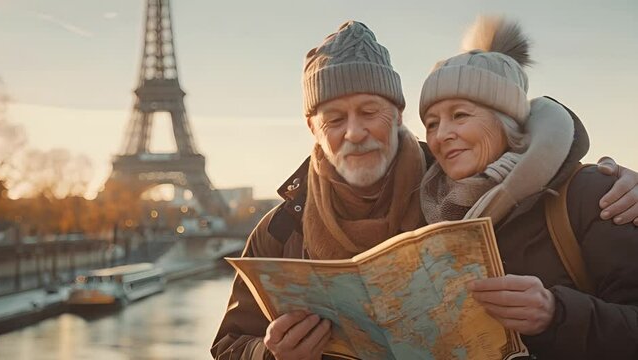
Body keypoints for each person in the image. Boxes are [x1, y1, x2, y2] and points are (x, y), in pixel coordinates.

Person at [211, 20, 638, 360]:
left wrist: (558, 313)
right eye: (334, 119)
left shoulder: (460, 191)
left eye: (370, 112)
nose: (355, 133)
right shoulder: (280, 231)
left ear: (397, 115)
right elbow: (228, 344)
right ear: (312, 128)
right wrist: (269, 354)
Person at [418, 16, 638, 359]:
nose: (442, 134)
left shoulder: (595, 193)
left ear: (506, 121)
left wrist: (556, 314)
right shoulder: (432, 214)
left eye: (460, 115)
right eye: (431, 123)